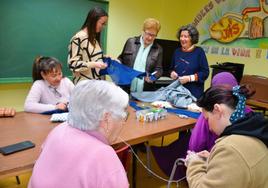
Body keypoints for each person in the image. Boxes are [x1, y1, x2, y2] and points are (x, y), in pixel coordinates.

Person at [28, 80, 129, 188]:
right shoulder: (103, 155)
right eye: (123, 117)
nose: (123, 123)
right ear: (107, 119)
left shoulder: (59, 130)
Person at [151, 72, 252, 179]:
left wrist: (201, 159)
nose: (210, 127)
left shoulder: (210, 118)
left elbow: (194, 147)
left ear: (217, 109)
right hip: (232, 167)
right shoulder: (250, 115)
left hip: (208, 169)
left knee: (179, 146)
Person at [186, 84, 268, 188]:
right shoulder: (255, 133)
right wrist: (215, 159)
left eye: (207, 119)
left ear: (217, 110)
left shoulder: (230, 148)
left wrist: (194, 163)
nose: (209, 127)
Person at [118, 18, 163, 93]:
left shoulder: (158, 49)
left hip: (145, 91)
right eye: (148, 34)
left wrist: (153, 77)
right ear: (143, 31)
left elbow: (159, 69)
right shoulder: (130, 42)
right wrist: (117, 62)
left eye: (153, 35)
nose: (150, 38)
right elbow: (121, 58)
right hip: (125, 88)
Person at [68, 7, 108, 84]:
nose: (103, 27)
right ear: (93, 21)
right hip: (83, 86)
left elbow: (91, 56)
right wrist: (94, 64)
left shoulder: (94, 38)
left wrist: (105, 57)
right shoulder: (79, 38)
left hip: (95, 84)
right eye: (102, 23)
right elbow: (73, 65)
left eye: (105, 24)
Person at [170, 24, 209, 99]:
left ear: (192, 38)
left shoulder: (199, 52)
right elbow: (171, 68)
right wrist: (172, 73)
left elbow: (205, 73)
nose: (182, 39)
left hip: (194, 94)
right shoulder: (177, 52)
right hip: (177, 92)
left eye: (186, 36)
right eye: (181, 36)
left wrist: (189, 78)